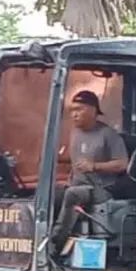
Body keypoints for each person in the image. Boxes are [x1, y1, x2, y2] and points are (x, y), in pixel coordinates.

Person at [50, 89, 129, 255]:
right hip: (78, 184)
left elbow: (122, 164)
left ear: (93, 110)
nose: (74, 115)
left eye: (80, 109)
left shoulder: (108, 135)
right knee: (51, 193)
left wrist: (94, 166)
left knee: (73, 194)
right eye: (72, 110)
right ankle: (41, 237)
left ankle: (56, 243)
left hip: (102, 189)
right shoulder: (75, 133)